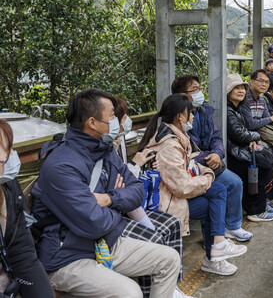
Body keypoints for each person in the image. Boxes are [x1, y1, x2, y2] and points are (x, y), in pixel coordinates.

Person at [32, 88, 180, 297]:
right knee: (130, 292)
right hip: (67, 257)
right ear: (92, 123)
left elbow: (137, 191)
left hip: (103, 242)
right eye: (112, 115)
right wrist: (118, 208)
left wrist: (110, 198)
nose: (116, 120)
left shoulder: (104, 150)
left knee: (169, 259)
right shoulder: (61, 165)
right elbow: (94, 223)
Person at [138, 94, 247, 276]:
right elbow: (181, 186)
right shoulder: (169, 144)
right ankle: (215, 252)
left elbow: (192, 165)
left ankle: (216, 250)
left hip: (173, 196)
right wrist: (208, 177)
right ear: (180, 117)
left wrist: (206, 172)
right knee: (216, 196)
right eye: (191, 113)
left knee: (217, 194)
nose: (194, 117)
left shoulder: (177, 136)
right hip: (165, 203)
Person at [112, 97, 188, 298]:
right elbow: (121, 189)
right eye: (122, 116)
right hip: (120, 214)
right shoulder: (105, 150)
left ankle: (171, 288)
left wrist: (141, 168)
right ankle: (152, 292)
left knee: (172, 224)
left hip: (131, 206)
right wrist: (135, 167)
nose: (127, 120)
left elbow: (126, 184)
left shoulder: (116, 143)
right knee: (153, 238)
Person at [171, 75, 252, 242]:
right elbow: (185, 149)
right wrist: (208, 157)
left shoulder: (204, 110)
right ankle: (213, 237)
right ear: (182, 95)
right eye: (195, 90)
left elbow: (216, 136)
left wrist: (217, 153)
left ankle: (233, 225)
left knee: (235, 182)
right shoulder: (176, 116)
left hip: (210, 162)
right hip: (192, 167)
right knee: (214, 191)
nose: (200, 93)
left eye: (200, 89)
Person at [0, 119, 55, 297]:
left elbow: (20, 249)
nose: (11, 156)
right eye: (6, 150)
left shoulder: (8, 187)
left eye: (10, 148)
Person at [226, 73, 273, 222]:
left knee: (267, 159)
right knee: (260, 166)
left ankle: (263, 203)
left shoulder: (237, 108)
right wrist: (255, 137)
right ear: (228, 91)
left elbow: (243, 132)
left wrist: (252, 139)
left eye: (242, 88)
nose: (241, 91)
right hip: (233, 153)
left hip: (239, 148)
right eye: (236, 88)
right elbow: (239, 134)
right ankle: (255, 210)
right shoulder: (229, 110)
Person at [241, 70, 273, 198]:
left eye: (267, 82)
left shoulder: (262, 100)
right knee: (269, 154)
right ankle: (267, 192)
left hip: (262, 135)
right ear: (252, 81)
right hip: (249, 138)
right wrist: (271, 118)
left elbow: (268, 123)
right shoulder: (245, 99)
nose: (264, 84)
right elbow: (249, 124)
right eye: (261, 81)